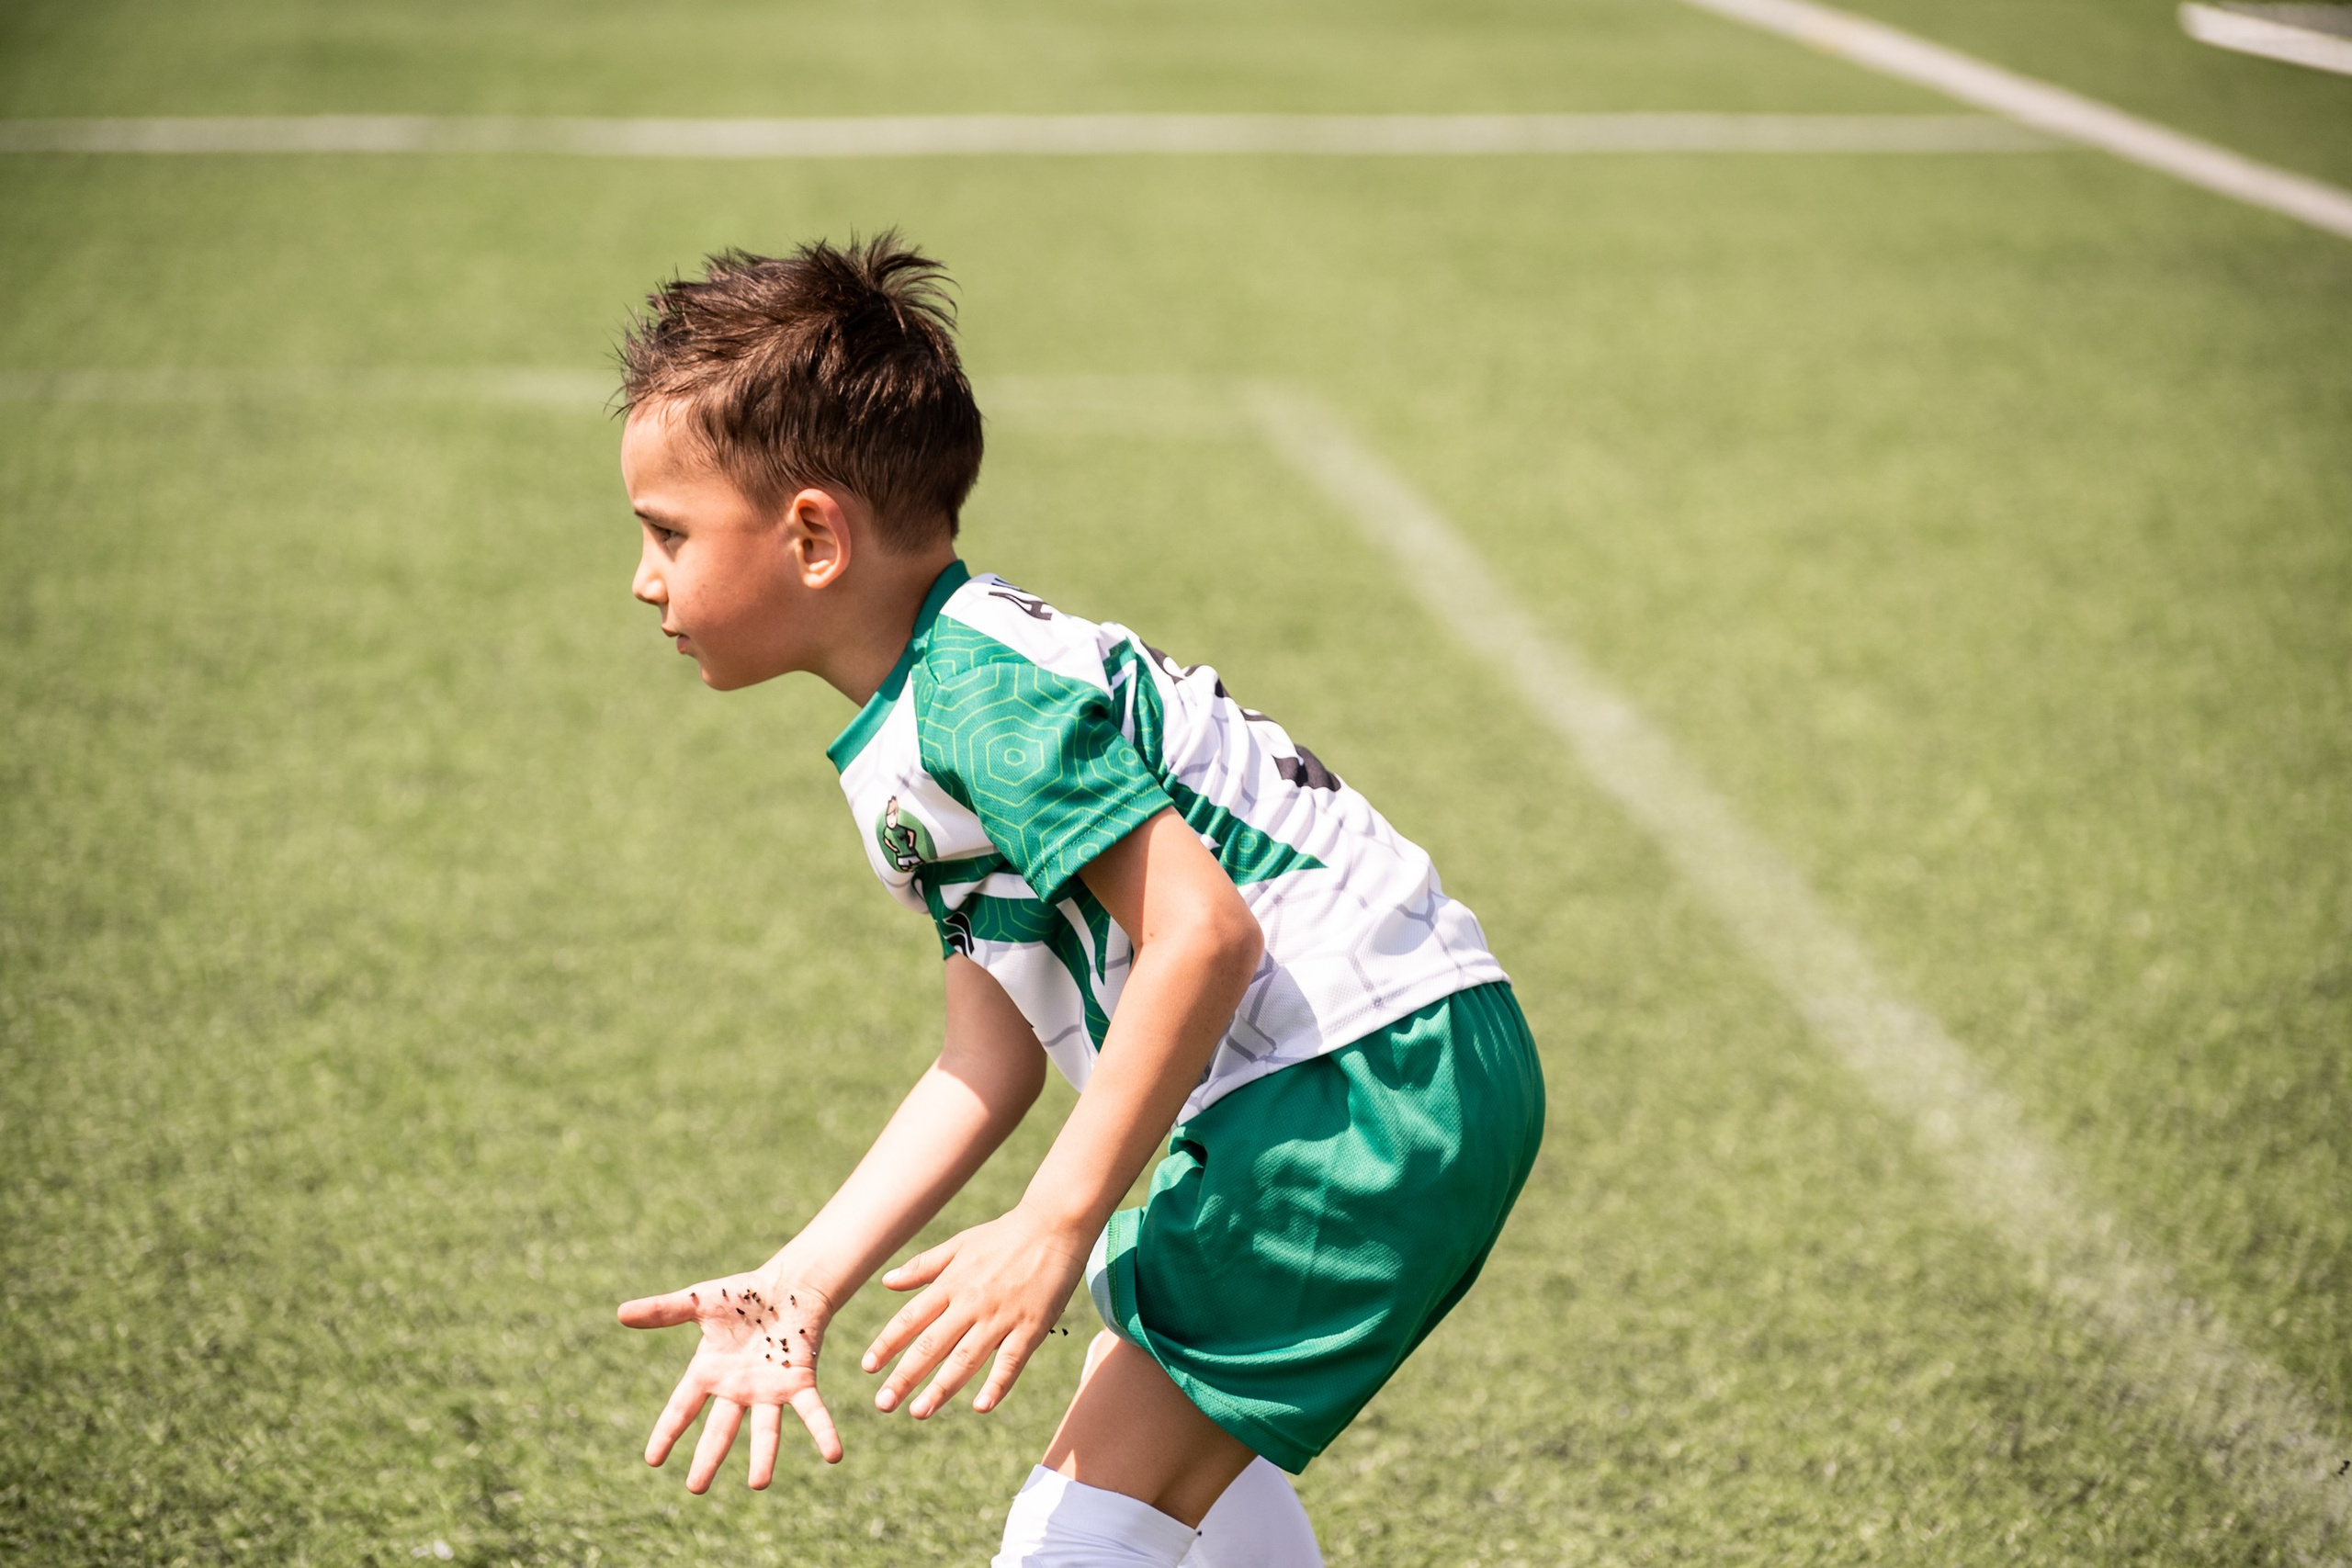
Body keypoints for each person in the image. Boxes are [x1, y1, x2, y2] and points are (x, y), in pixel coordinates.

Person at [612, 234, 1545, 1568]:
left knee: (1075, 1530)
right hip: (1389, 1062)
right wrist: (799, 1283)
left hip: (1355, 1075)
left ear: (814, 534)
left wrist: (1055, 1220)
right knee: (1183, 1474)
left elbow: (1203, 934)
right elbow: (983, 1059)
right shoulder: (932, 705)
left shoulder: (978, 697)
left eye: (668, 534)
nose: (645, 579)